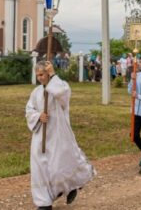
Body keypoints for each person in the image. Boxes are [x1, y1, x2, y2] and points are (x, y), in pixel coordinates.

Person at [26, 61, 95, 210]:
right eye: (37, 75)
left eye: (42, 74)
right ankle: (44, 203)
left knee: (58, 167)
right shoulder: (36, 92)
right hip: (40, 136)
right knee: (40, 169)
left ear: (48, 73)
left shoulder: (60, 86)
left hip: (57, 133)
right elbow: (29, 110)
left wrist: (53, 74)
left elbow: (62, 94)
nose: (39, 78)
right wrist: (38, 116)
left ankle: (70, 187)